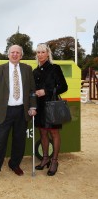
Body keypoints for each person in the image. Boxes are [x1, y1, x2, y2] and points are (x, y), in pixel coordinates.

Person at [0, 45, 37, 184]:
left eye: (17, 53)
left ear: (21, 55)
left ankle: (14, 164)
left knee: (19, 140)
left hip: (21, 110)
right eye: (12, 52)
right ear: (8, 54)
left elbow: (31, 90)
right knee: (0, 141)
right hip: (4, 110)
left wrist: (33, 105)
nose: (15, 54)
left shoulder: (27, 69)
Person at [33, 43, 68, 176]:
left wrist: (46, 91)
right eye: (38, 52)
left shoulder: (55, 68)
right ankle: (45, 159)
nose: (40, 54)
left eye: (42, 52)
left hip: (52, 105)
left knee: (54, 133)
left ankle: (54, 161)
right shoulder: (34, 71)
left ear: (48, 54)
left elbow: (64, 87)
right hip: (39, 106)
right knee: (42, 133)